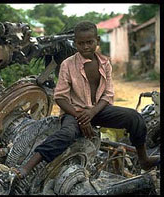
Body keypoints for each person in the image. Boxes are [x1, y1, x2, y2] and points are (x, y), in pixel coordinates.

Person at [13, 21, 160, 179]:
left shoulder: (105, 64)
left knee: (135, 118)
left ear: (97, 40)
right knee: (66, 134)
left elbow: (108, 95)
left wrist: (91, 113)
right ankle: (26, 168)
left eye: (89, 42)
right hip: (73, 112)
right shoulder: (67, 65)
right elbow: (60, 97)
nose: (85, 47)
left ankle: (143, 159)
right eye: (81, 43)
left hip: (98, 110)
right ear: (75, 43)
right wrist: (80, 117)